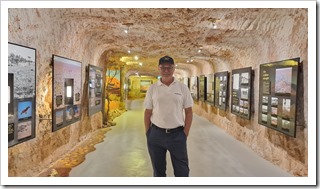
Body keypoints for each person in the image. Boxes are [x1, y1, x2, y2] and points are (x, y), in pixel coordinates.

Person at [143, 55, 194, 177]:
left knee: (182, 172)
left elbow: (189, 111)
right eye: (163, 67)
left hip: (177, 135)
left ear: (174, 68)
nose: (166, 70)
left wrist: (185, 132)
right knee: (158, 172)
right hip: (156, 135)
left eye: (169, 67)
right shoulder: (153, 88)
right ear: (158, 68)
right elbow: (147, 112)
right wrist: (148, 133)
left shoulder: (182, 88)